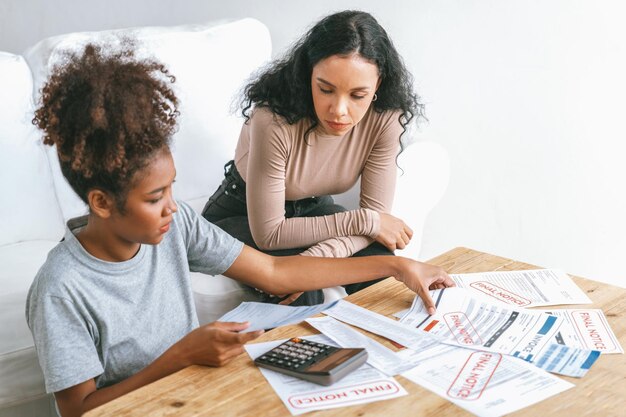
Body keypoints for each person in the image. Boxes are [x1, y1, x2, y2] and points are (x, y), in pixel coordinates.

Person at [26, 43, 451, 416]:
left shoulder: (177, 226)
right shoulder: (61, 290)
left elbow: (273, 272)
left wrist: (397, 267)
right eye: (155, 197)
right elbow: (80, 411)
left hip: (198, 398)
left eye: (171, 187)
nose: (173, 206)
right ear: (101, 202)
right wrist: (182, 355)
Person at [202, 10, 425, 306]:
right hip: (241, 215)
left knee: (381, 270)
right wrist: (364, 222)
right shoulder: (273, 119)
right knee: (302, 293)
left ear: (378, 85)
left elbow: (375, 227)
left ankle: (392, 349)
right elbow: (270, 234)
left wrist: (316, 259)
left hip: (313, 210)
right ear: (308, 75)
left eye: (357, 95)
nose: (339, 110)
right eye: (325, 89)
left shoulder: (386, 119)